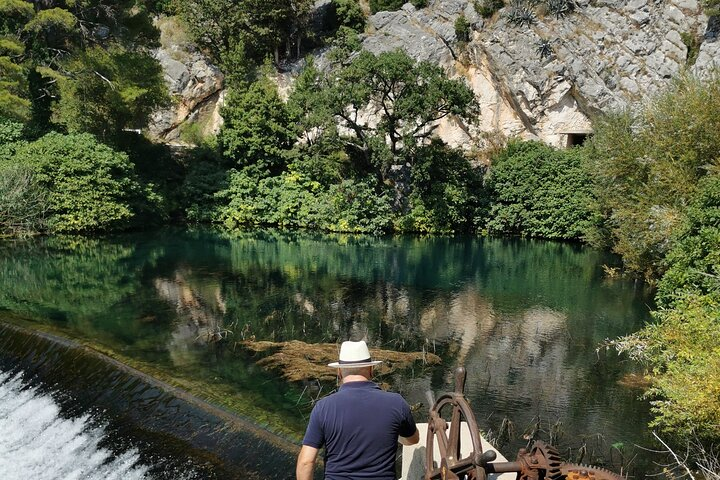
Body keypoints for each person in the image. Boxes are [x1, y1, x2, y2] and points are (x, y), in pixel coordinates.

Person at [296, 340, 420, 480]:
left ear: (339, 372)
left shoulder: (323, 407)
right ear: (371, 370)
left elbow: (306, 462)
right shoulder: (396, 403)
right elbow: (413, 439)